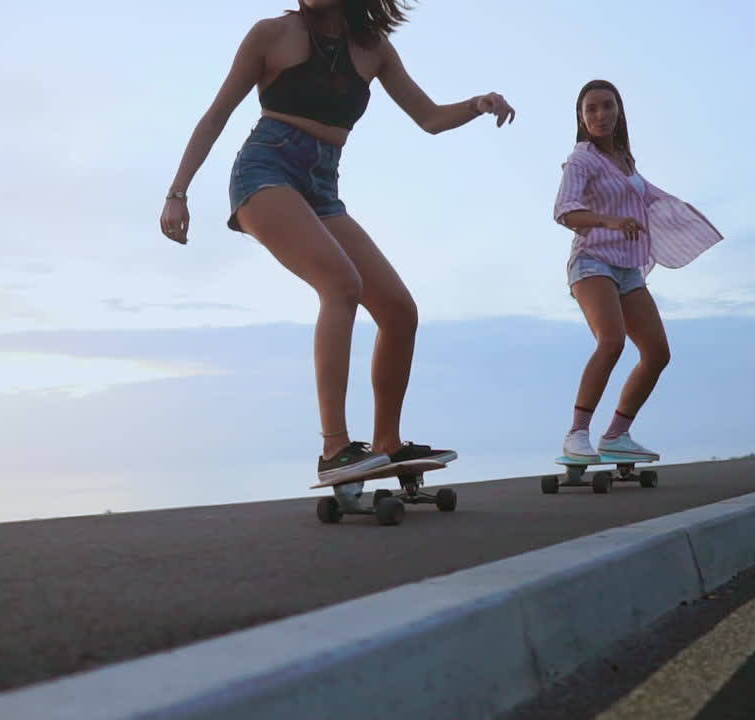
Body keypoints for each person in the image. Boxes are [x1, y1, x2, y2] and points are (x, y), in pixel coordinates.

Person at [158, 0, 516, 485]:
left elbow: (429, 117)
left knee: (398, 311)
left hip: (323, 186)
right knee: (341, 283)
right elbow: (217, 114)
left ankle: (386, 443)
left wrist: (476, 105)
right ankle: (335, 449)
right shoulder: (271, 34)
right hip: (265, 171)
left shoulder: (373, 48)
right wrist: (178, 192)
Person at [553, 79, 722, 463]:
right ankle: (577, 434)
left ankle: (616, 435)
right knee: (611, 341)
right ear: (581, 118)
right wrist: (611, 222)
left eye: (607, 106)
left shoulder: (625, 160)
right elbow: (564, 210)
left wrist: (680, 215)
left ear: (619, 111)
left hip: (628, 268)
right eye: (591, 109)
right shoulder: (582, 158)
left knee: (657, 353)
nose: (600, 115)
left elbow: (647, 201)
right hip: (592, 260)